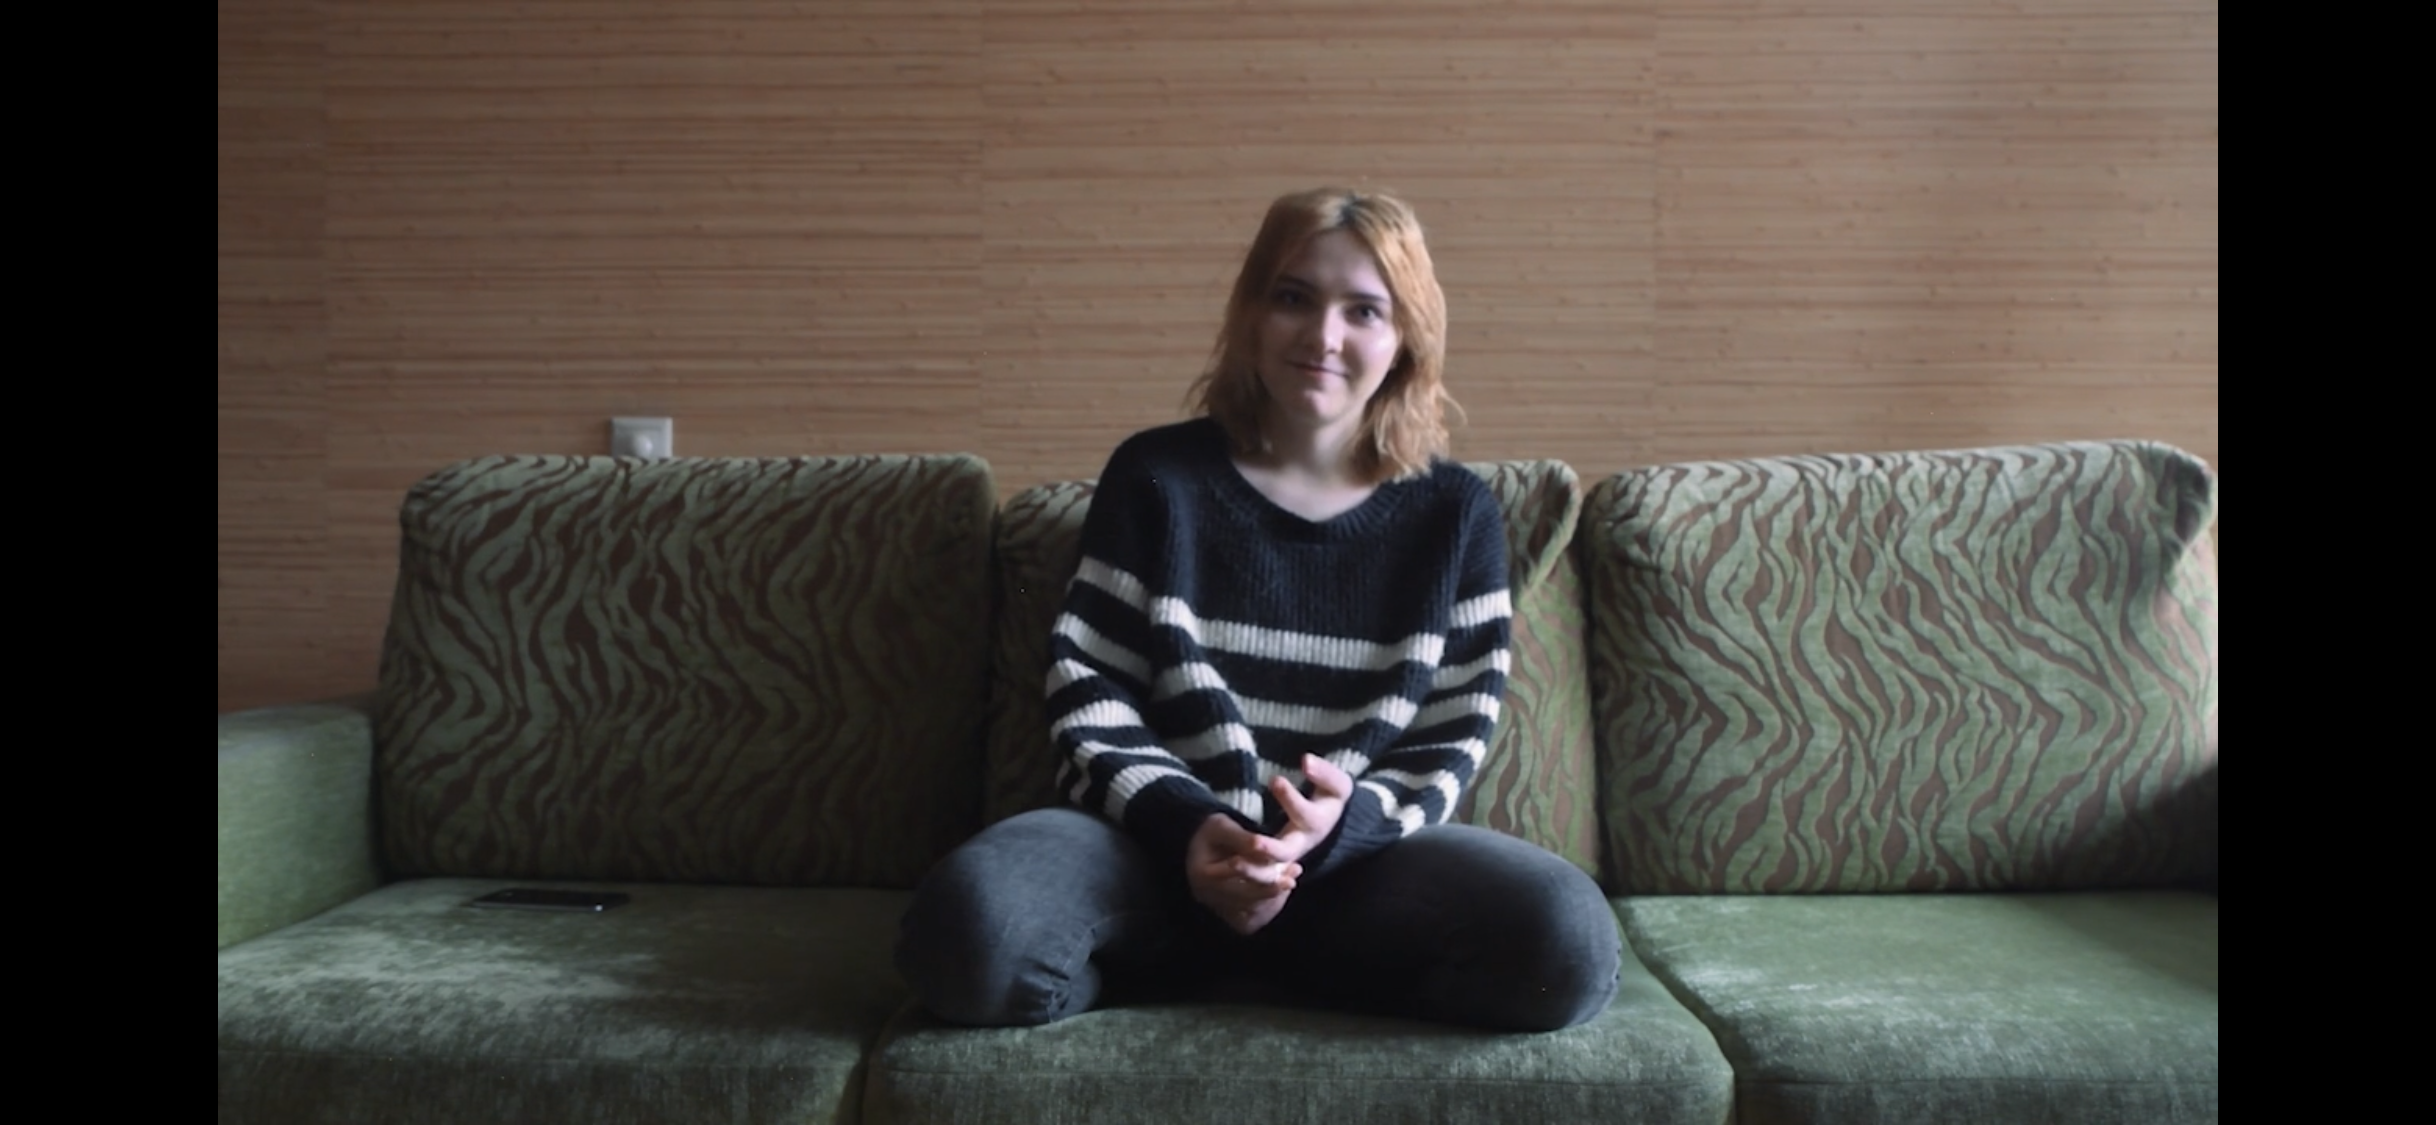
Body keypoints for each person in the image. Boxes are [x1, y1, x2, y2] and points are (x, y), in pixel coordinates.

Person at [895, 187, 1620, 1032]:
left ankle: (1295, 963)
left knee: (1566, 944)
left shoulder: (1456, 512)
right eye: (1293, 297)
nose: (1323, 336)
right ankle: (1175, 960)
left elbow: (1454, 731)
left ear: (1407, 337)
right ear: (1250, 312)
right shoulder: (1156, 477)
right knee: (967, 931)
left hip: (1360, 873)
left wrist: (1335, 828)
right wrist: (1191, 824)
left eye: (1364, 310)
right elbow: (1091, 688)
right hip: (1152, 855)